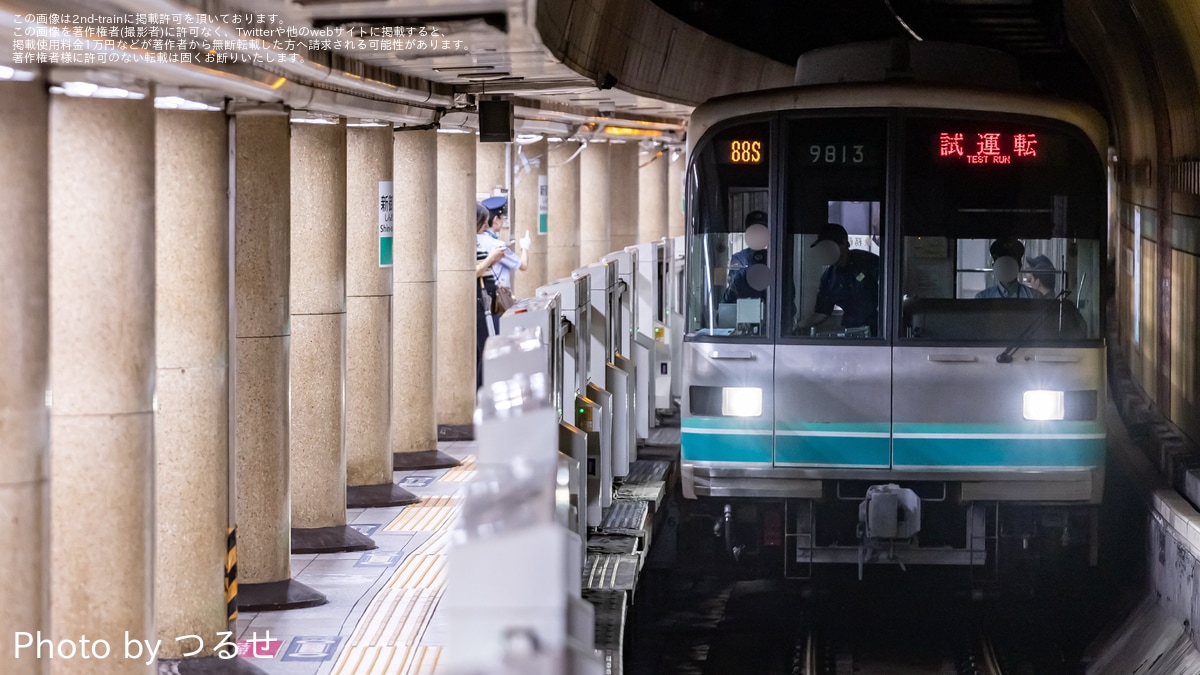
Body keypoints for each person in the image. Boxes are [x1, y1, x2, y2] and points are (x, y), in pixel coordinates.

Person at [796, 223, 880, 335]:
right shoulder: (828, 277)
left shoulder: (868, 262)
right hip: (851, 332)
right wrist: (798, 325)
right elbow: (822, 313)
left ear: (843, 243)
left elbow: (890, 299)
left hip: (881, 334)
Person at [475, 202, 507, 388]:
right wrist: (491, 259)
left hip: (485, 294)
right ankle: (482, 391)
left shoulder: (481, 240)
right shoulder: (470, 242)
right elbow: (473, 271)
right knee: (487, 346)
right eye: (483, 223)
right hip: (480, 296)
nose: (486, 227)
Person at [482, 195, 527, 304]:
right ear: (496, 219)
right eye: (502, 218)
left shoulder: (477, 240)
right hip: (498, 299)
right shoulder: (498, 245)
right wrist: (525, 247)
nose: (503, 221)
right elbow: (523, 265)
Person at [722, 210, 770, 303]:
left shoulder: (776, 259)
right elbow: (730, 297)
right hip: (742, 314)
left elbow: (789, 301)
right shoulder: (738, 258)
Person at [975, 237, 1040, 299]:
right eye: (1002, 264)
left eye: (1010, 264)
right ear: (994, 266)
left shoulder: (1035, 296)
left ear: (1019, 266)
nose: (1006, 268)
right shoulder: (982, 297)